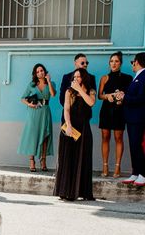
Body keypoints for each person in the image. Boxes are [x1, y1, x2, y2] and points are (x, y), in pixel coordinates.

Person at [54, 68, 96, 201]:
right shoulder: (68, 92)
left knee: (84, 158)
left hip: (84, 129)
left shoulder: (90, 91)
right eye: (75, 77)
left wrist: (80, 90)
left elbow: (91, 102)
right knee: (68, 158)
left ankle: (83, 192)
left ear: (84, 78)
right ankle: (65, 191)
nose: (76, 79)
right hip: (71, 128)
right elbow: (66, 109)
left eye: (79, 77)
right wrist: (69, 125)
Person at [98, 52, 132, 178]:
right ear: (109, 63)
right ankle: (105, 166)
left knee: (118, 138)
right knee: (105, 137)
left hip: (119, 111)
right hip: (106, 110)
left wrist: (121, 97)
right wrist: (107, 96)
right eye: (111, 61)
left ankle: (118, 167)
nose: (114, 63)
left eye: (116, 61)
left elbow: (129, 95)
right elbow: (100, 96)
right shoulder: (104, 78)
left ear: (120, 63)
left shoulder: (127, 78)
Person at [18, 64, 56, 172]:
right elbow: (22, 98)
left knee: (45, 136)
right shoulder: (32, 85)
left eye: (42, 70)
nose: (40, 73)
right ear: (35, 74)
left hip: (45, 111)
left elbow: (53, 95)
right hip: (33, 112)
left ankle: (43, 160)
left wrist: (48, 81)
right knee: (32, 136)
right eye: (38, 71)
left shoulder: (51, 84)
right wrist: (29, 104)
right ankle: (32, 160)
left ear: (45, 71)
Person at [116, 53, 145, 187]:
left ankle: (143, 174)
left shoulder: (144, 76)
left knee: (138, 146)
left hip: (138, 118)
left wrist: (124, 98)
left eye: (133, 62)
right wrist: (124, 95)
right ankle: (135, 172)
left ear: (137, 62)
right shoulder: (137, 77)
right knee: (133, 146)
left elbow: (141, 98)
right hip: (132, 118)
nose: (132, 64)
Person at [60, 53, 96, 122]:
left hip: (84, 117)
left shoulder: (91, 78)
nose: (85, 65)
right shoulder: (67, 77)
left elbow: (92, 101)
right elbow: (62, 99)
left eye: (87, 63)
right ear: (75, 63)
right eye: (82, 63)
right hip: (69, 117)